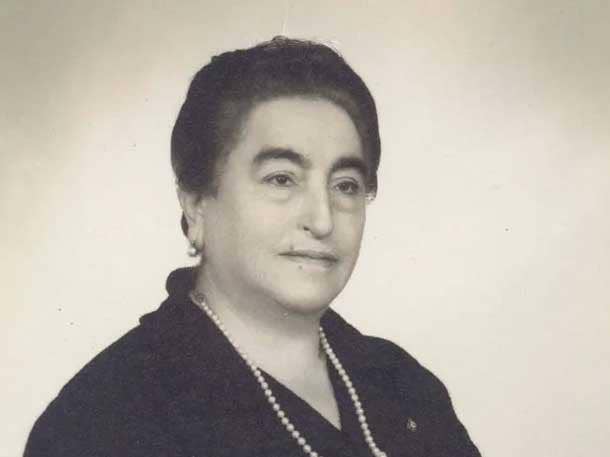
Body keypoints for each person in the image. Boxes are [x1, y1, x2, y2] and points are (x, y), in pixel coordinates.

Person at [24, 37, 480, 457]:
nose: (322, 220)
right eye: (281, 179)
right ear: (197, 202)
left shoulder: (403, 385)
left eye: (345, 185)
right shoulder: (103, 420)